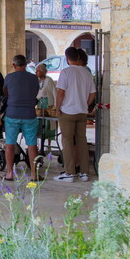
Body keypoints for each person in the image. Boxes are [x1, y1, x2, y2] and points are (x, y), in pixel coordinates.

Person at [54, 47, 97, 182]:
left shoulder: (66, 72)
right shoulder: (86, 73)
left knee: (67, 142)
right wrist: (85, 103)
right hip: (82, 111)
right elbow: (93, 93)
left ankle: (70, 172)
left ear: (67, 59)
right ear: (78, 58)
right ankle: (84, 173)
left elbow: (61, 93)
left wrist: (57, 107)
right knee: (81, 141)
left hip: (67, 111)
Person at [2, 55, 40, 181]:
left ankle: (9, 173)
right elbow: (35, 93)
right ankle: (34, 174)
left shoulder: (9, 77)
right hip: (29, 114)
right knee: (32, 144)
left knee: (10, 144)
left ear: (14, 65)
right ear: (26, 64)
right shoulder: (34, 78)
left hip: (12, 113)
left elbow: (5, 91)